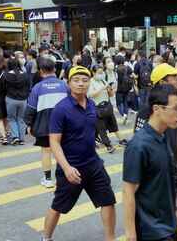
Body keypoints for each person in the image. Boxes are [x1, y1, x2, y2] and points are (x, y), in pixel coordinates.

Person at [41, 66, 116, 241]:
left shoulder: (90, 104)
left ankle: (110, 238)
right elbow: (54, 142)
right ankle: (46, 238)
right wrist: (66, 168)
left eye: (85, 80)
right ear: (68, 83)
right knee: (58, 206)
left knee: (108, 201)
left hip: (94, 165)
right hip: (71, 169)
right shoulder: (61, 109)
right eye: (76, 80)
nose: (81, 84)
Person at [124, 85, 177, 241]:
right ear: (157, 109)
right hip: (151, 230)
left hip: (168, 223)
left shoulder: (163, 136)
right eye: (175, 109)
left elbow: (168, 179)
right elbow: (128, 191)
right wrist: (130, 233)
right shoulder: (138, 146)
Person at [25, 57, 69, 189]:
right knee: (63, 150)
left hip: (44, 125)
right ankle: (65, 175)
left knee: (46, 151)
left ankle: (48, 179)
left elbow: (31, 108)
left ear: (40, 71)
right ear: (54, 69)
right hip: (63, 125)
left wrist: (28, 124)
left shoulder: (37, 88)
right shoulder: (64, 85)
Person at [88, 65, 127, 153]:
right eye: (99, 73)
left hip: (107, 106)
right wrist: (102, 88)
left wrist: (110, 90)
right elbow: (90, 94)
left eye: (102, 73)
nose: (101, 74)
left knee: (113, 124)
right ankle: (108, 145)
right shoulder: (91, 82)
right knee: (101, 128)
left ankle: (121, 140)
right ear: (93, 73)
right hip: (98, 108)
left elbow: (111, 95)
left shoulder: (103, 81)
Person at [4, 58, 30, 145]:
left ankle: (15, 137)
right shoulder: (25, 75)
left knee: (11, 119)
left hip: (11, 99)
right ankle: (22, 138)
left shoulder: (6, 75)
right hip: (23, 100)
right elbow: (28, 87)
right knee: (21, 119)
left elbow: (4, 88)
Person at [115, 55, 134, 124]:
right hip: (127, 88)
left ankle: (123, 115)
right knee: (125, 102)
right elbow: (132, 75)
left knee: (119, 103)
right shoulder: (127, 67)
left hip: (119, 88)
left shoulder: (116, 69)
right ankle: (125, 114)